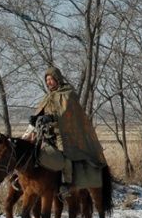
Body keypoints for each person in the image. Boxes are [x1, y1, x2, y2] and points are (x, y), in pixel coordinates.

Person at [30, 66, 107, 197]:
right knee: (29, 147)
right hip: (47, 132)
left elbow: (67, 114)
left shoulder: (68, 94)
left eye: (51, 79)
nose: (49, 82)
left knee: (63, 155)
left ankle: (67, 183)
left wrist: (52, 118)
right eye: (47, 80)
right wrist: (36, 118)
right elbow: (42, 111)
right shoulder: (49, 96)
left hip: (64, 134)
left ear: (57, 79)